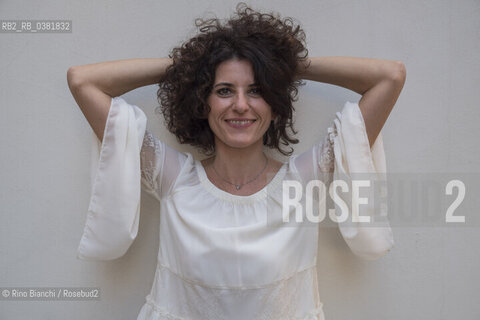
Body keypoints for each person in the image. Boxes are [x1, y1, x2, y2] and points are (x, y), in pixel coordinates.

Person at [67, 2, 405, 319]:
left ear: (274, 104)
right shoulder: (174, 179)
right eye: (224, 90)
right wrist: (192, 65)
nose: (240, 105)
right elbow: (83, 82)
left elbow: (389, 77)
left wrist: (280, 63)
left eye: (257, 90)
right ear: (203, 102)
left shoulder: (303, 183)